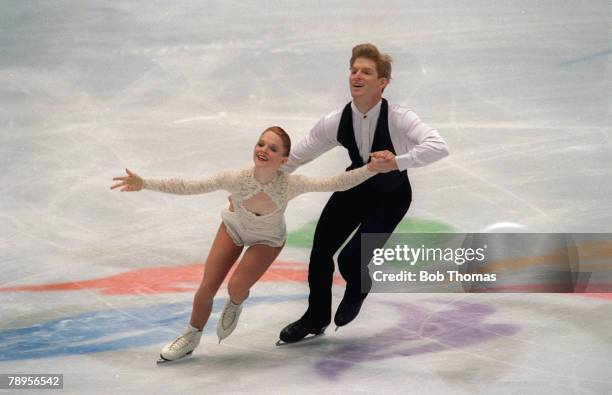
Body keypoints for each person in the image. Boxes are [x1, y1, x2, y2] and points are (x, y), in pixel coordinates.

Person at [111, 126, 380, 362]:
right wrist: (144, 183)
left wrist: (371, 168)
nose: (263, 149)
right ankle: (191, 337)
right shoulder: (236, 179)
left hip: (268, 240)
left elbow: (337, 182)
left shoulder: (290, 184)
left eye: (272, 148)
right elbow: (190, 185)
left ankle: (236, 303)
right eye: (261, 143)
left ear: (284, 159)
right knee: (206, 287)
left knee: (236, 286)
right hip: (234, 229)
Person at [278, 43, 450, 344]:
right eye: (354, 70)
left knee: (349, 259)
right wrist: (256, 182)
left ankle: (358, 287)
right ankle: (315, 317)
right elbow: (297, 156)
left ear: (381, 82)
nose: (357, 76)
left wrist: (396, 162)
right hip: (354, 187)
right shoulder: (335, 120)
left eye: (366, 72)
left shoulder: (399, 118)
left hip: (392, 196)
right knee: (319, 254)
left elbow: (438, 146)